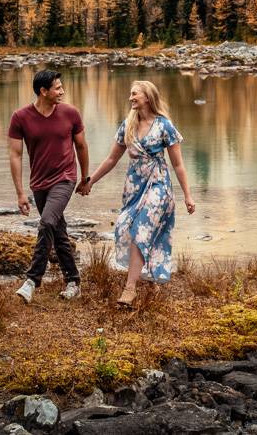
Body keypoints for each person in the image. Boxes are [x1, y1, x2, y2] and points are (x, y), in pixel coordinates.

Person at [79, 79, 195, 307]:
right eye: (130, 94)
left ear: (148, 97)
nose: (131, 97)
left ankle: (129, 288)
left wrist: (188, 196)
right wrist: (90, 180)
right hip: (134, 186)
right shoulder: (127, 125)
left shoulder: (165, 126)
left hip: (158, 185)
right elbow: (112, 159)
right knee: (126, 225)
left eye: (135, 94)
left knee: (142, 228)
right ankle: (149, 276)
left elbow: (178, 165)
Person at [7, 68, 89, 303]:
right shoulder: (20, 117)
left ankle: (32, 280)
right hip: (39, 183)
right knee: (57, 231)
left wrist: (85, 178)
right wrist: (20, 193)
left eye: (61, 87)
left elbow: (82, 147)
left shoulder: (71, 113)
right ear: (43, 91)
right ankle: (73, 281)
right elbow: (15, 155)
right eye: (57, 88)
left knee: (46, 223)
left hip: (65, 178)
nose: (62, 91)